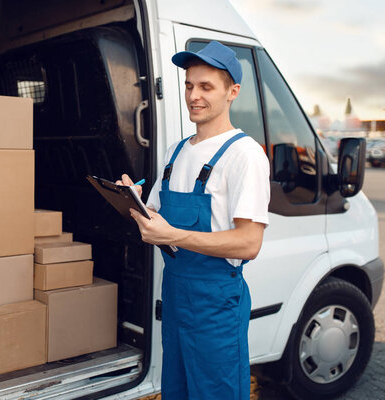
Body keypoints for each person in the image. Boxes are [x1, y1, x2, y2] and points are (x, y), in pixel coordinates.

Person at [117, 41, 270, 399]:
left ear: (233, 92)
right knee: (177, 390)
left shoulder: (245, 155)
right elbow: (157, 217)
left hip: (216, 300)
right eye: (188, 85)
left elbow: (249, 243)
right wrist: (135, 203)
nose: (193, 96)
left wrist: (173, 234)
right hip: (175, 292)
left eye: (206, 87)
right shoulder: (177, 151)